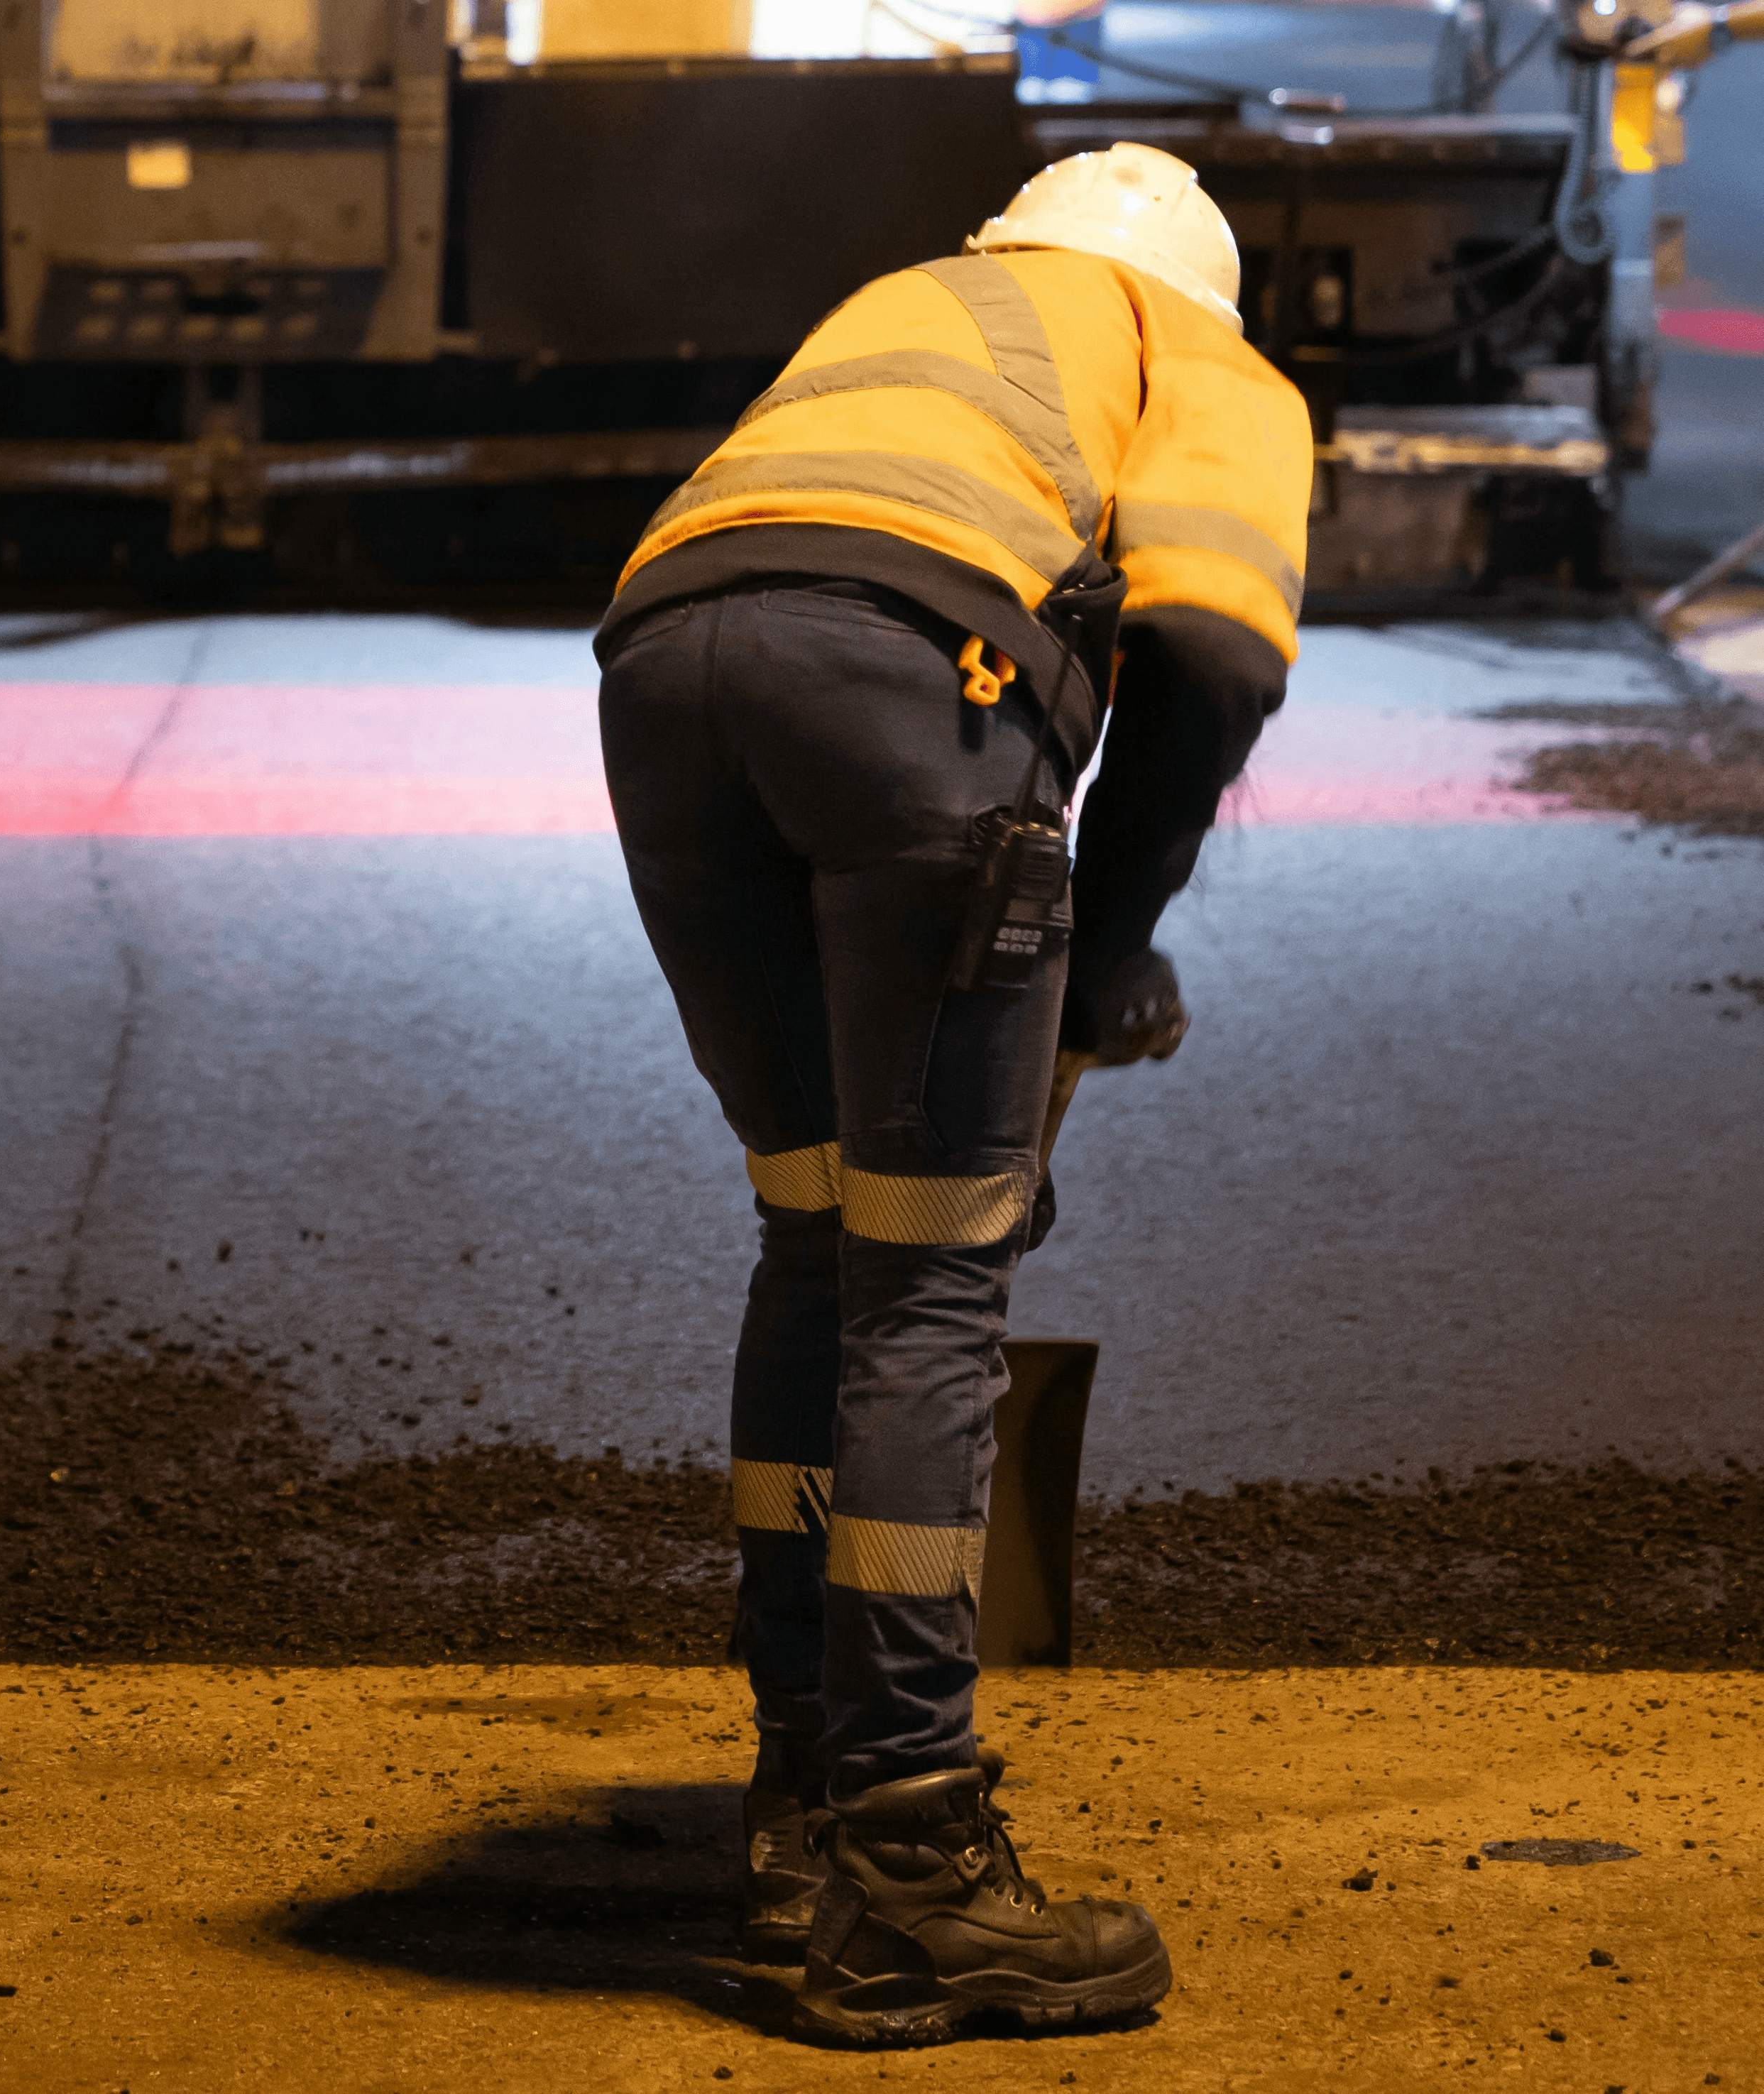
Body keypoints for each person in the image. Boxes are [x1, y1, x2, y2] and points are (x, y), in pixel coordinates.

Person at [592, 142, 1310, 2046]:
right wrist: (1105, 948)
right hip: (908, 684)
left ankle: (795, 1806)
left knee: (817, 1228)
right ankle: (905, 1878)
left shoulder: (910, 304)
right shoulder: (1195, 353)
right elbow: (1217, 656)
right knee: (926, 1281)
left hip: (664, 677)